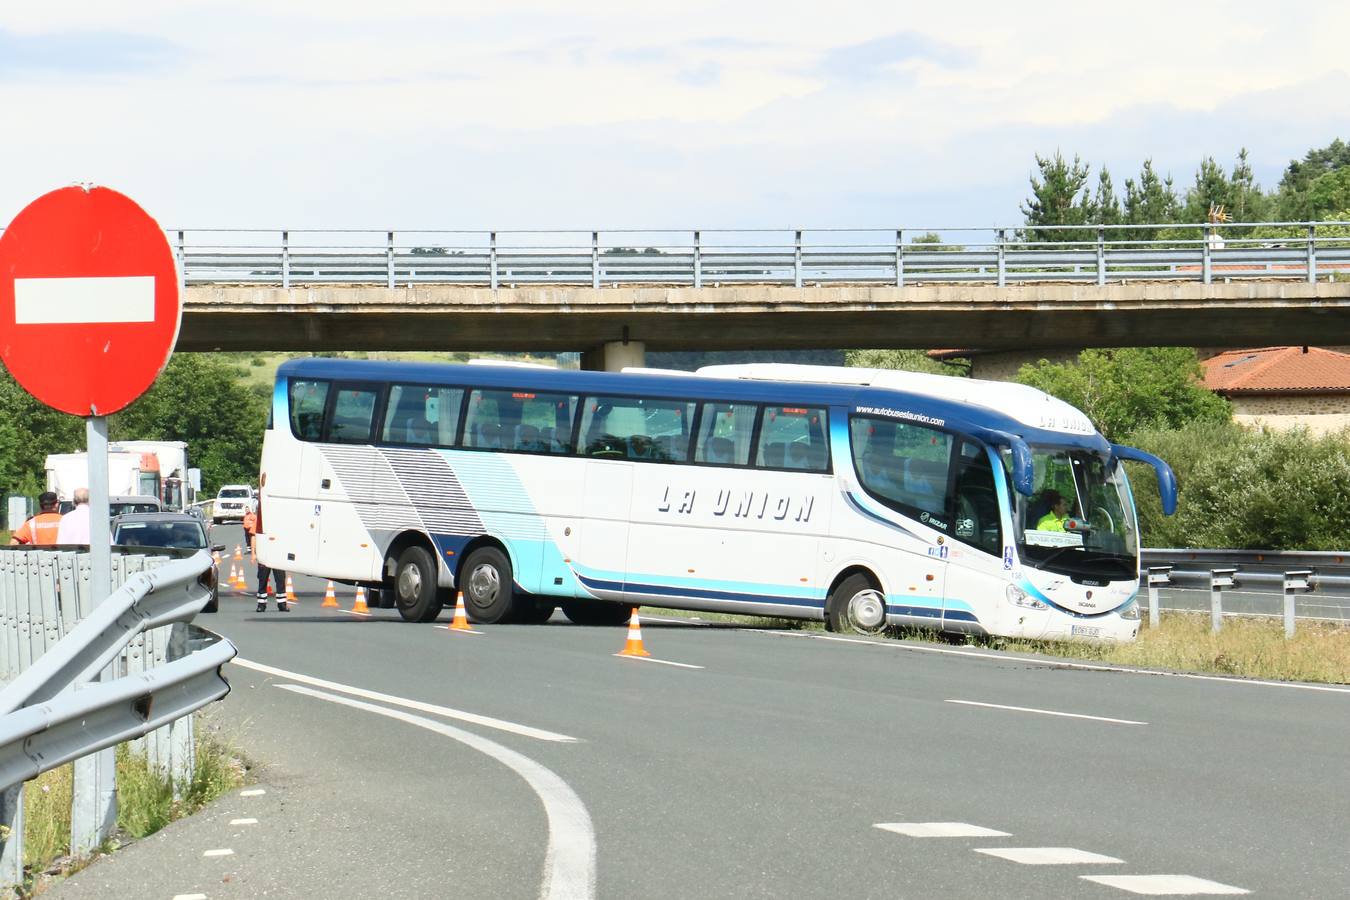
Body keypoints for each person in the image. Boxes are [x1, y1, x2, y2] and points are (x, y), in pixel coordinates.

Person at [247, 501, 288, 612]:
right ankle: (261, 604)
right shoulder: (260, 520)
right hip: (264, 554)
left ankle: (282, 604)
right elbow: (254, 537)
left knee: (280, 579)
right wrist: (253, 554)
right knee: (262, 579)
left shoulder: (282, 521)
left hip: (278, 554)